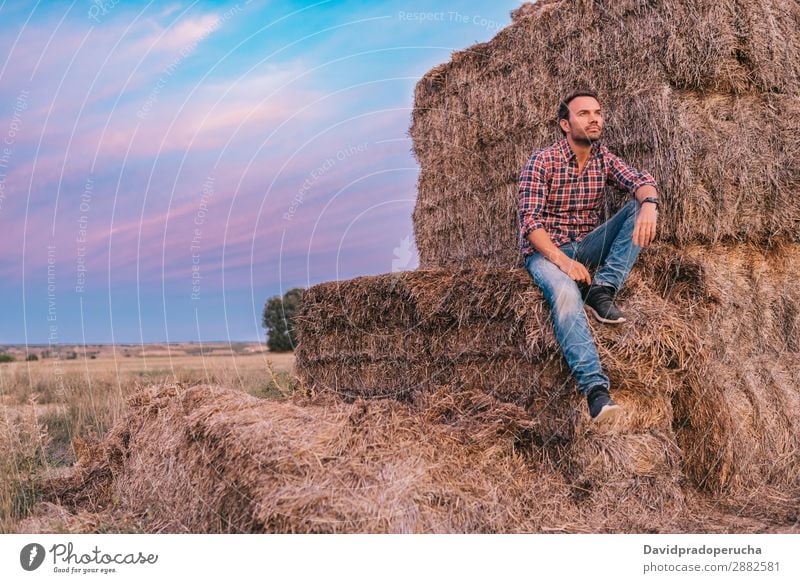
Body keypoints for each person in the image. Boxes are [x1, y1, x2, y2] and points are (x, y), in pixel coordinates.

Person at [518, 90, 660, 423]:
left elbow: (640, 180)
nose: (594, 118)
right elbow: (530, 224)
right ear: (564, 124)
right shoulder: (543, 161)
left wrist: (650, 205)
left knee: (639, 204)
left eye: (597, 112)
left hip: (586, 244)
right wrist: (563, 263)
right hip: (547, 252)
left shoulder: (603, 158)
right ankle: (596, 391)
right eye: (584, 114)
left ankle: (602, 288)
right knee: (566, 293)